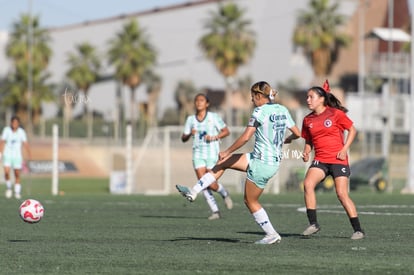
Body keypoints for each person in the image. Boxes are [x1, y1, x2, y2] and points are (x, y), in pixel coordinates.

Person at [177, 81, 300, 244]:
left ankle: (271, 234)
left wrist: (227, 150)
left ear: (258, 96)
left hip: (261, 164)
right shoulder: (283, 109)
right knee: (224, 162)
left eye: (252, 97)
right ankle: (194, 191)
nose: (251, 101)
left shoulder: (259, 112)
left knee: (250, 201)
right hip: (262, 159)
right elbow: (297, 133)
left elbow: (245, 137)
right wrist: (287, 139)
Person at [300, 80, 365, 240]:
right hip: (320, 160)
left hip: (338, 160)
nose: (308, 100)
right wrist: (306, 151)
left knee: (342, 194)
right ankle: (313, 224)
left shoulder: (335, 114)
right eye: (307, 97)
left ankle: (358, 230)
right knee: (308, 184)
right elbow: (309, 140)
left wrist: (344, 149)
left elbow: (352, 130)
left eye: (311, 97)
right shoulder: (308, 120)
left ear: (321, 99)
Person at [182, 93, 233, 220]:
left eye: (201, 100)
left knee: (211, 184)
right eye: (196, 100)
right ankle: (215, 211)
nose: (199, 102)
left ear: (207, 103)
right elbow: (183, 138)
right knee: (202, 183)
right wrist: (189, 134)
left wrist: (215, 137)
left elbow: (226, 131)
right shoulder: (190, 120)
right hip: (198, 154)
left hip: (212, 154)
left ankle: (224, 192)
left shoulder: (213, 117)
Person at [1, 116, 31, 199]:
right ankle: (9, 188)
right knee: (6, 172)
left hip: (17, 156)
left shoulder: (21, 132)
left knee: (17, 173)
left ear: (18, 124)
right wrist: (0, 153)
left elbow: (25, 143)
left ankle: (17, 192)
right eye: (13, 123)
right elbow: (2, 141)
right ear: (11, 123)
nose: (15, 124)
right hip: (7, 155)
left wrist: (29, 154)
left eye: (16, 123)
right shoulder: (6, 130)